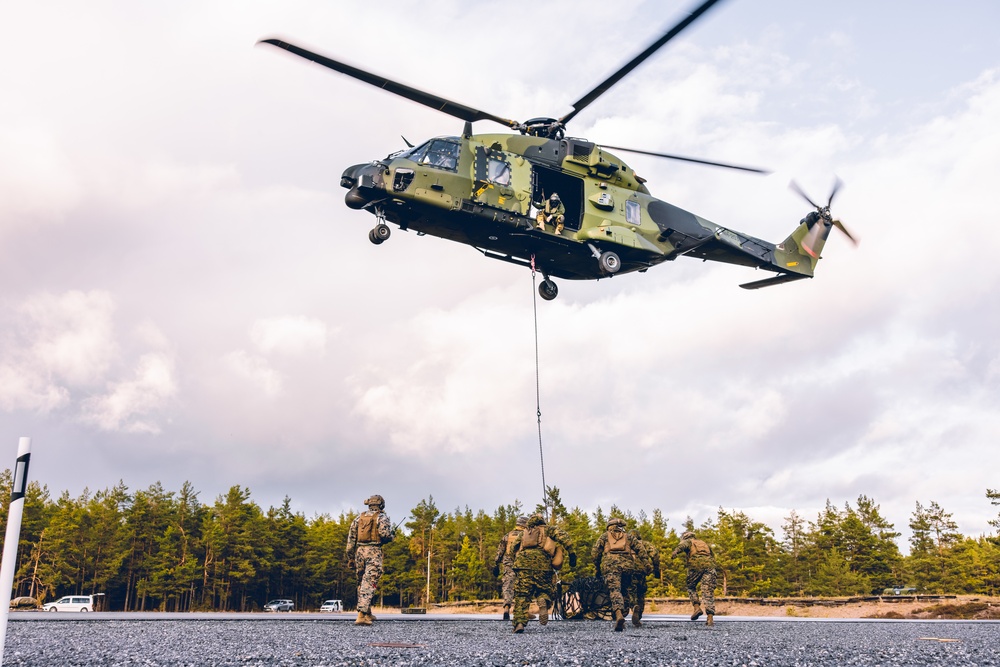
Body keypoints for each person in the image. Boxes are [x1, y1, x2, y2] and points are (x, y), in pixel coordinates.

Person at [509, 514, 576, 634]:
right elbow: (564, 537)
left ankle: (519, 623)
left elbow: (513, 548)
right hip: (543, 565)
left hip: (523, 565)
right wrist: (572, 554)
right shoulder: (549, 529)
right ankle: (543, 601)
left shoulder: (524, 532)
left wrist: (517, 561)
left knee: (522, 595)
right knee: (545, 590)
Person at [345, 494, 395, 626]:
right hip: (374, 552)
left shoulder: (358, 518)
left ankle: (367, 612)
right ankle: (361, 615)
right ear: (381, 505)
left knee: (361, 582)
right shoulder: (382, 517)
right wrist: (391, 537)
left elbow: (350, 541)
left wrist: (350, 558)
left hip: (359, 552)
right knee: (370, 582)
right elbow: (385, 535)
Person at [592, 517, 642, 631]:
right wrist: (647, 564)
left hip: (611, 566)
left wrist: (597, 568)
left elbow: (595, 553)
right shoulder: (628, 537)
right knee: (625, 590)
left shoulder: (605, 536)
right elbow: (641, 549)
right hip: (628, 567)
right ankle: (633, 606)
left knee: (615, 590)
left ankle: (619, 614)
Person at [670, 530, 717, 626]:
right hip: (710, 567)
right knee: (708, 591)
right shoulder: (704, 543)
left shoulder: (688, 541)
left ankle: (696, 608)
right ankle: (710, 618)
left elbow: (682, 546)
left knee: (690, 586)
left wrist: (675, 552)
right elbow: (712, 556)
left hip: (696, 565)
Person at [493, 515, 528, 621]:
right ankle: (523, 612)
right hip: (522, 564)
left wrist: (496, 564)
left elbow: (500, 551)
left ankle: (506, 608)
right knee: (523, 587)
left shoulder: (507, 536)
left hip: (508, 564)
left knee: (508, 586)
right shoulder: (526, 536)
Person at [627, 530, 660, 627]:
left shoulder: (626, 544)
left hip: (629, 570)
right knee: (641, 592)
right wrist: (656, 569)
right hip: (642, 571)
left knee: (630, 591)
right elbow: (655, 554)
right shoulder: (645, 544)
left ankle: (634, 607)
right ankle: (639, 612)